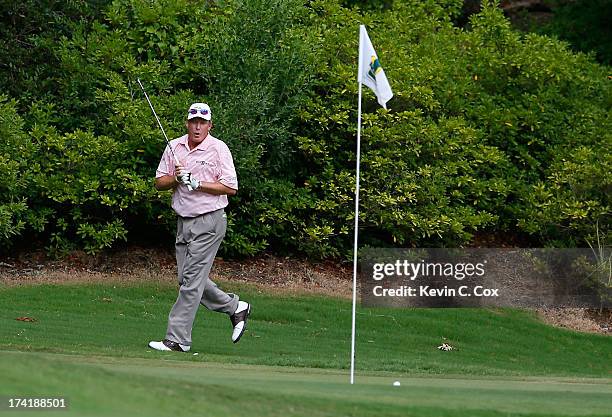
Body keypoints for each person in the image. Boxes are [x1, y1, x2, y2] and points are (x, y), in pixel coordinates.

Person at [148, 102, 251, 352]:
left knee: (191, 282)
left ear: (209, 125)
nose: (197, 126)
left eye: (202, 122)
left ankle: (178, 339)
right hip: (183, 221)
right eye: (193, 121)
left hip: (209, 220)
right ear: (187, 123)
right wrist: (176, 178)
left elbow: (230, 187)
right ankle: (235, 307)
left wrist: (197, 183)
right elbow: (159, 182)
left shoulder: (218, 149)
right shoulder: (175, 146)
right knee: (187, 279)